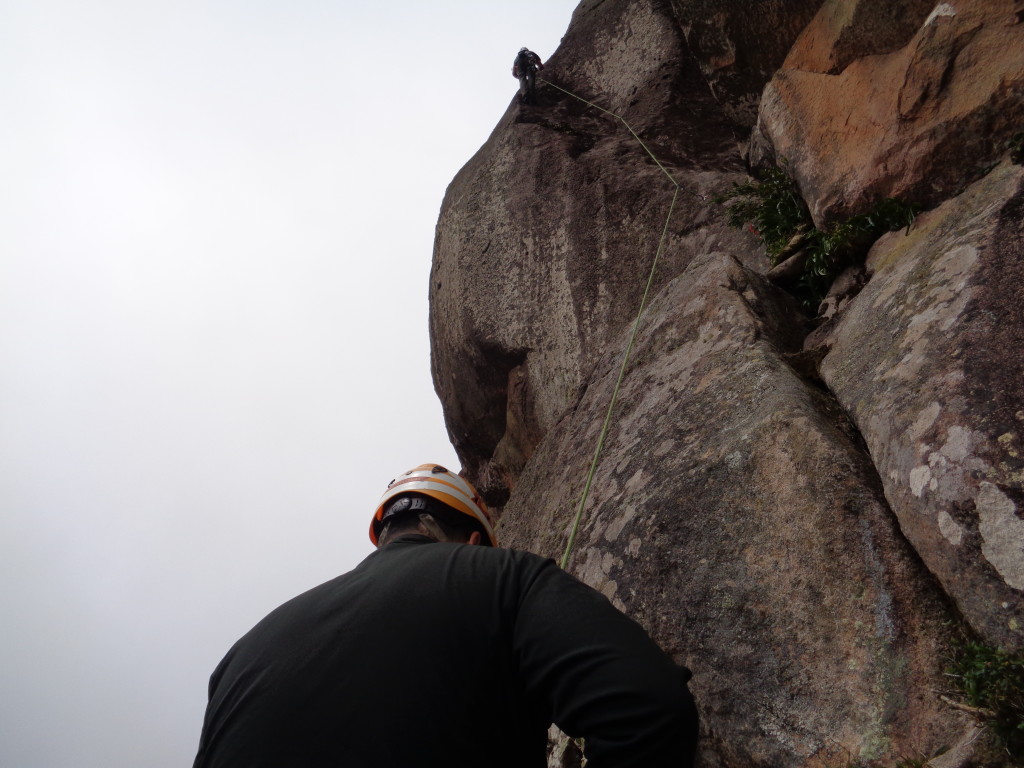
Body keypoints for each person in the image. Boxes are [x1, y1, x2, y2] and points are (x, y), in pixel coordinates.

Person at [192, 463, 699, 768]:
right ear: (475, 541)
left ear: (385, 531)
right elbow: (648, 709)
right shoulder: (504, 577)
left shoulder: (239, 656)